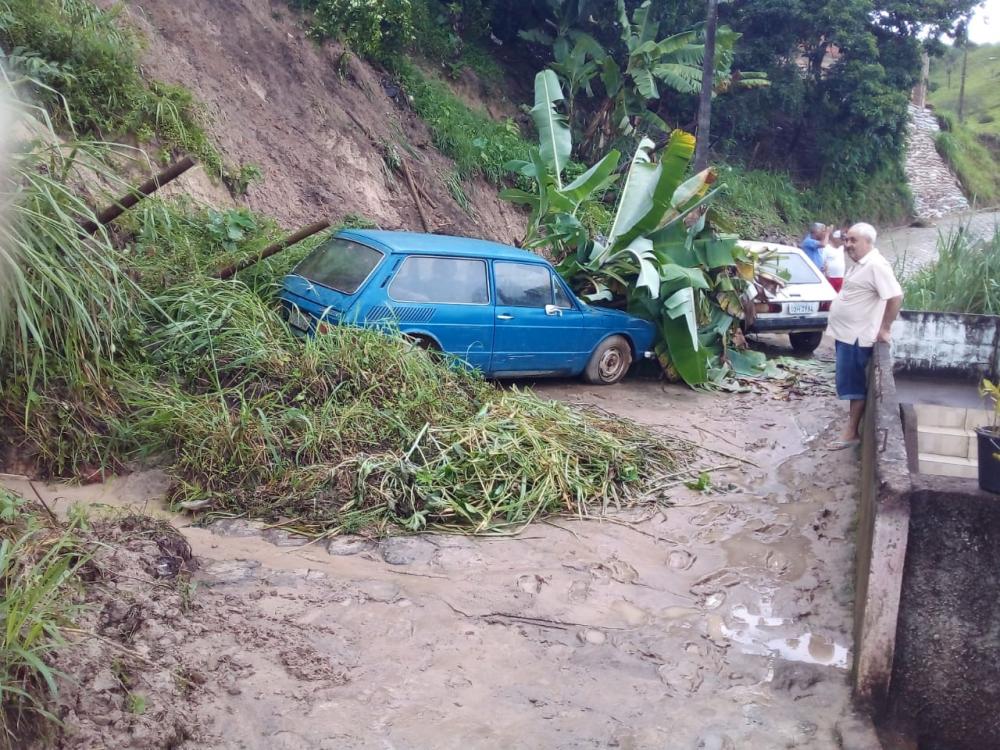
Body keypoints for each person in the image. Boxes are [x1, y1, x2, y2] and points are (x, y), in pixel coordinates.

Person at [827, 222, 904, 449]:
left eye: (854, 240)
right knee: (848, 385)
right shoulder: (860, 265)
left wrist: (885, 328)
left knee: (853, 386)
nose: (848, 244)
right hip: (847, 336)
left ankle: (851, 433)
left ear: (868, 242)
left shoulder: (876, 265)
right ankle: (851, 429)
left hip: (856, 338)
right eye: (847, 239)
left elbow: (895, 296)